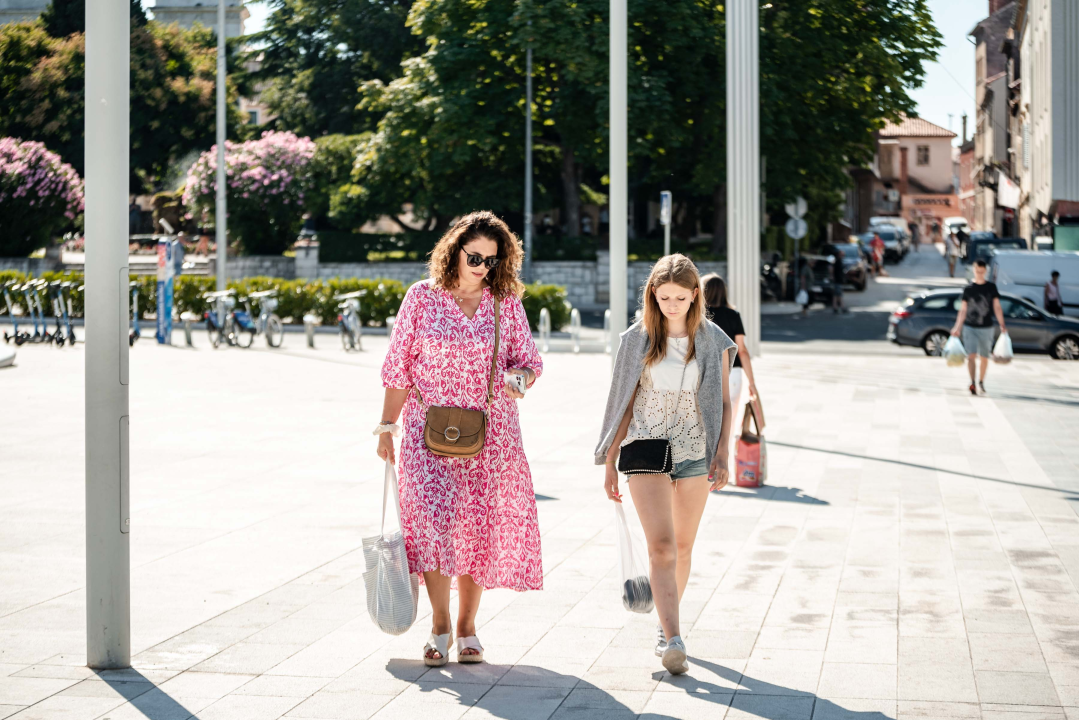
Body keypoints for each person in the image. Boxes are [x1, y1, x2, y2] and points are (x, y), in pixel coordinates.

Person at [376, 211, 543, 667]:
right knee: (431, 527)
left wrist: (519, 378)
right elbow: (399, 368)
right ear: (454, 250)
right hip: (427, 433)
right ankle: (439, 625)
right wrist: (387, 426)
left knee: (477, 529)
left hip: (492, 434)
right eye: (475, 256)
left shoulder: (503, 302)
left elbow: (529, 360)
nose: (482, 266)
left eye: (492, 260)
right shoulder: (422, 299)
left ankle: (469, 628)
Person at [595, 254, 736, 676]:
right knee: (662, 547)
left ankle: (663, 623)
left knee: (684, 547)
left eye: (680, 297)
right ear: (652, 295)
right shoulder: (635, 339)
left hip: (695, 449)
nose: (672, 305)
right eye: (664, 297)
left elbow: (725, 404)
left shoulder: (714, 340)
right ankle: (673, 637)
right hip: (645, 447)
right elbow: (621, 402)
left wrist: (723, 453)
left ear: (696, 296)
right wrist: (608, 459)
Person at [702, 273, 761, 464]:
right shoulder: (733, 315)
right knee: (730, 420)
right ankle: (725, 465)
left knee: (705, 419)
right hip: (733, 373)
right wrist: (751, 382)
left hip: (705, 373)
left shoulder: (699, 316)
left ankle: (705, 463)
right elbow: (742, 350)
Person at [951, 258, 1007, 396]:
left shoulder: (991, 287)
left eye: (982, 272)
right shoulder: (968, 289)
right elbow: (963, 309)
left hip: (986, 327)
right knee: (971, 356)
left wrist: (1002, 324)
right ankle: (972, 382)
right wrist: (957, 327)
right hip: (970, 327)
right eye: (977, 272)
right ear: (974, 271)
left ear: (985, 271)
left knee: (984, 357)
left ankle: (981, 381)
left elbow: (997, 307)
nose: (979, 274)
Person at [831, 249, 848, 314]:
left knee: (836, 294)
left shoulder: (838, 261)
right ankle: (842, 307)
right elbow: (833, 270)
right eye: (842, 253)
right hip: (838, 280)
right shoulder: (838, 261)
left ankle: (835, 307)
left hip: (838, 280)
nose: (843, 255)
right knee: (839, 294)